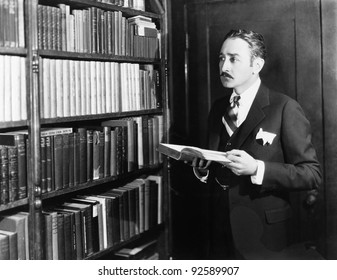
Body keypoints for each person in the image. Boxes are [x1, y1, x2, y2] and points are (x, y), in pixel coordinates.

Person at [188, 29, 322, 259]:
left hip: (266, 234)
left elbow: (311, 174)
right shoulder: (219, 107)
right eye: (221, 58)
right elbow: (215, 161)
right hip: (217, 229)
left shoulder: (284, 108)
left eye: (233, 59)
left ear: (257, 64)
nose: (224, 67)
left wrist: (258, 169)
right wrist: (202, 168)